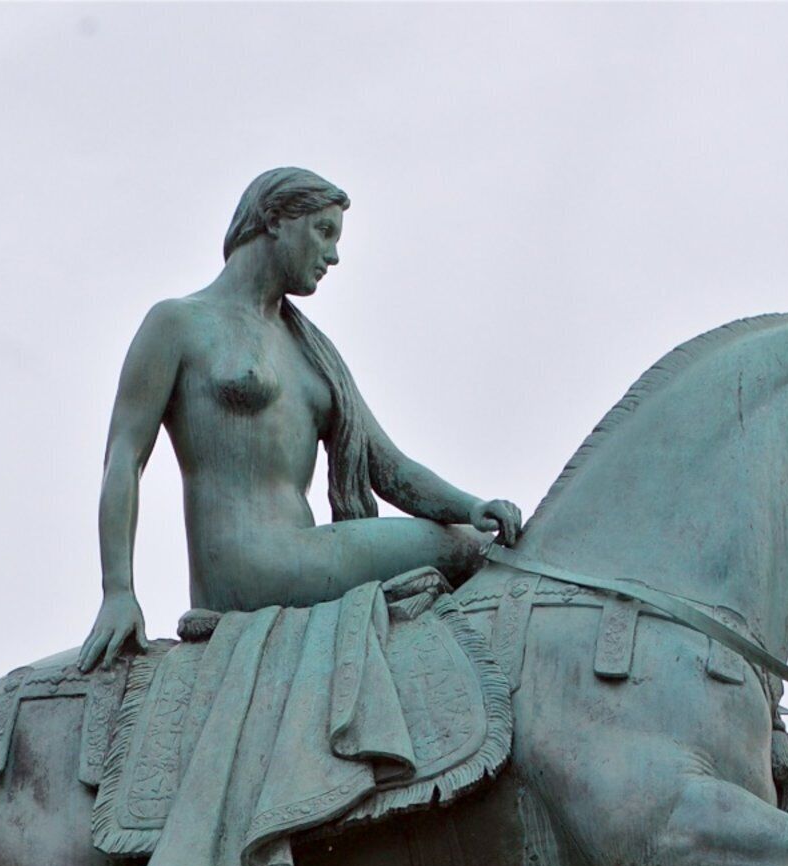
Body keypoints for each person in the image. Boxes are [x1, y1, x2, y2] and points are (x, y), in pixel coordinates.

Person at [76, 168, 523, 674]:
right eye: (323, 232)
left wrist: (473, 505)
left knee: (473, 542)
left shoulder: (312, 351)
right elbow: (124, 457)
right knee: (465, 552)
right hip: (249, 568)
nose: (333, 256)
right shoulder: (178, 323)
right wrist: (118, 592)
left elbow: (388, 465)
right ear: (274, 220)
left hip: (306, 553)